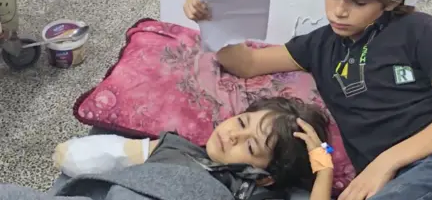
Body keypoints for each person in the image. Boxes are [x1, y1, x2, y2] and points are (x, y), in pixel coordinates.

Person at [182, 0, 432, 200]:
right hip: (392, 186)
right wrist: (211, 19)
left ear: (390, 0)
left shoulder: (416, 30)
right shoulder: (319, 45)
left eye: (359, 3)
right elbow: (247, 63)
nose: (339, 10)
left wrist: (384, 164)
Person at [50, 97, 335, 200]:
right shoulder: (174, 145)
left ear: (264, 176)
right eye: (242, 122)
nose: (233, 135)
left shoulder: (257, 194)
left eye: (250, 145)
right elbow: (76, 157)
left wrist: (324, 170)